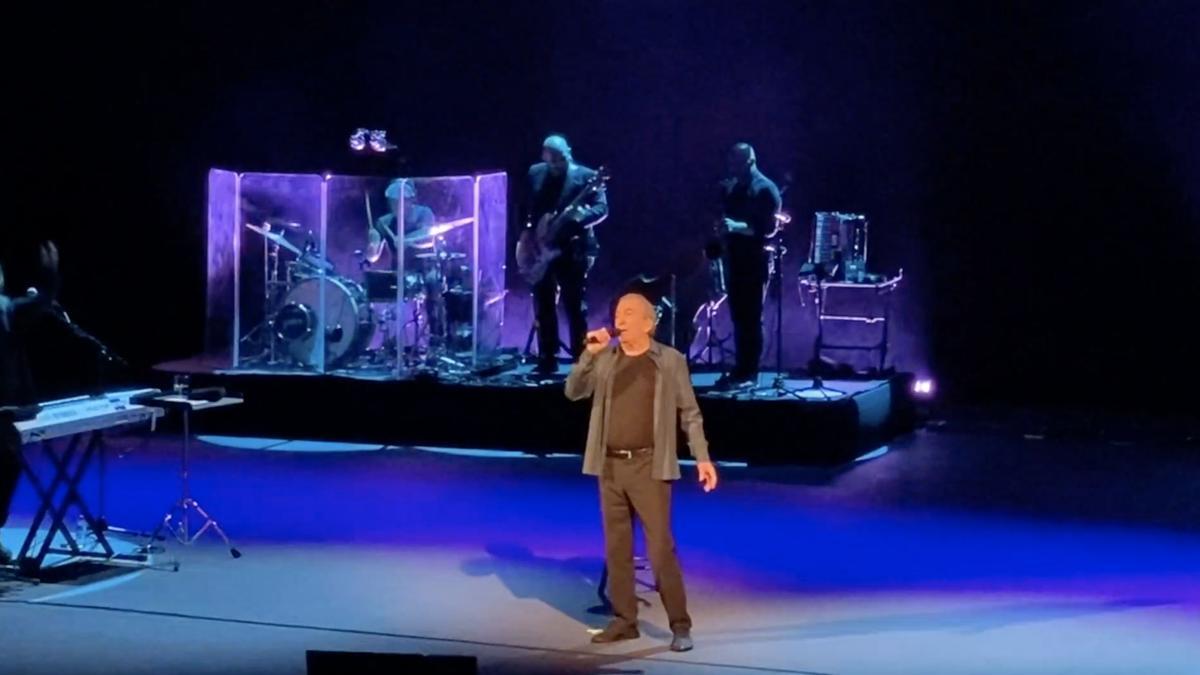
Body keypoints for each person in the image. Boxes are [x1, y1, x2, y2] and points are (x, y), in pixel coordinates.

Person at [565, 292, 718, 651]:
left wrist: (703, 458)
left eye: (630, 313)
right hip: (610, 464)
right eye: (617, 311)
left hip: (649, 466)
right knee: (617, 546)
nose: (620, 317)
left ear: (649, 323)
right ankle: (624, 620)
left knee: (660, 547)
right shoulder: (606, 359)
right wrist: (589, 353)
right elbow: (573, 392)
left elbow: (689, 413)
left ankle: (680, 624)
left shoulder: (668, 361)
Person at [525, 134, 608, 375]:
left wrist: (579, 218)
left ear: (567, 153)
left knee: (574, 305)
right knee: (543, 303)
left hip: (572, 248)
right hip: (542, 247)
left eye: (561, 159)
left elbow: (602, 208)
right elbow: (526, 206)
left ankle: (581, 361)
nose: (557, 165)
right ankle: (547, 357)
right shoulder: (535, 173)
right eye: (552, 161)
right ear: (544, 156)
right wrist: (527, 234)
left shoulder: (587, 176)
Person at [0, 241, 59, 565]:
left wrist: (50, 275)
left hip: (4, 410)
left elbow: (41, 304)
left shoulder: (7, 309)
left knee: (7, 467)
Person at [717, 143, 781, 389]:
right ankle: (741, 369)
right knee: (738, 316)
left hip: (755, 260)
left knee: (752, 316)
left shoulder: (765, 189)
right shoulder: (734, 188)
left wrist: (736, 227)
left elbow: (768, 229)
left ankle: (750, 373)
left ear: (750, 162)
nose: (732, 167)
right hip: (735, 258)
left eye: (737, 163)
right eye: (730, 162)